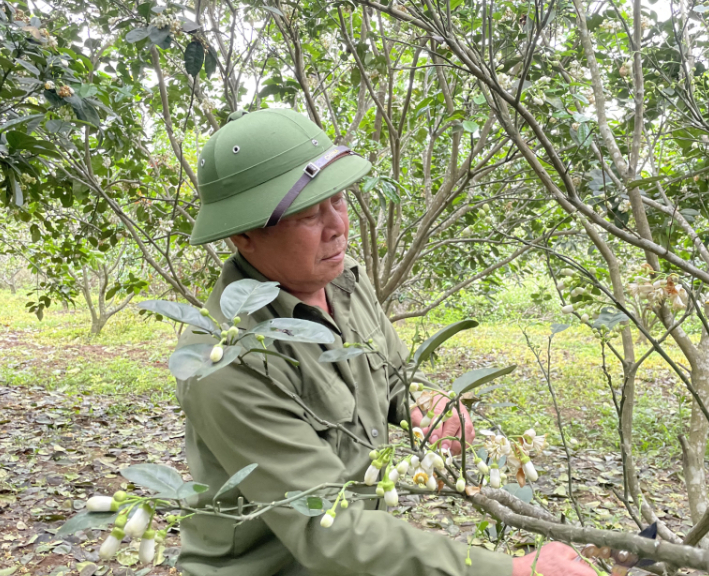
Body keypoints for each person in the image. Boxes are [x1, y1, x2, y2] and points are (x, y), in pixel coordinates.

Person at [175, 108, 596, 576]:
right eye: (309, 213)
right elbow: (328, 528)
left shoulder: (343, 279)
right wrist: (509, 571)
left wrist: (420, 406)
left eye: (338, 200)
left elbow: (391, 376)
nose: (337, 226)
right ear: (245, 236)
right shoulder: (226, 365)